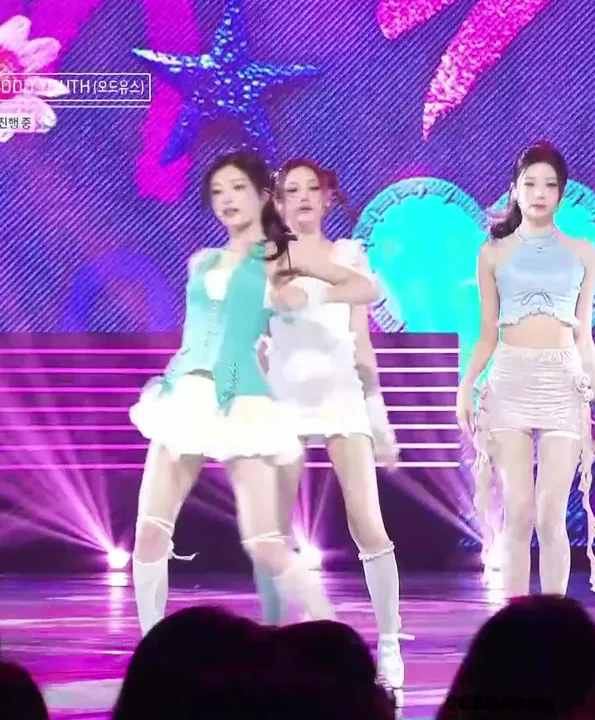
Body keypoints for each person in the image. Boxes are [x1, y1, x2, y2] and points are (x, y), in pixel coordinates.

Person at [127, 149, 378, 635]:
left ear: (263, 196)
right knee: (149, 533)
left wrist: (309, 295)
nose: (226, 199)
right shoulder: (202, 260)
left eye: (237, 188)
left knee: (264, 542)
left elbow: (364, 288)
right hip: (185, 397)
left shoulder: (280, 255)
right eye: (217, 192)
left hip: (243, 401)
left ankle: (328, 627)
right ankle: (150, 643)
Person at [253, 157, 406, 692]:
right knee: (273, 531)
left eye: (310, 189)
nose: (301, 198)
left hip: (341, 394)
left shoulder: (349, 254)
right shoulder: (267, 256)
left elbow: (363, 330)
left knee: (368, 522)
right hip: (286, 397)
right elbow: (272, 311)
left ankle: (389, 644)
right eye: (290, 191)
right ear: (277, 203)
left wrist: (378, 417)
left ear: (325, 198)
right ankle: (276, 641)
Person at [457, 141, 595, 599]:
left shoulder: (583, 252)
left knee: (550, 515)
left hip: (563, 381)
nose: (539, 193)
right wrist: (467, 386)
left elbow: (583, 333)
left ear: (562, 193)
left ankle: (556, 623)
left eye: (549, 185)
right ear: (515, 190)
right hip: (510, 380)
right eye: (530, 184)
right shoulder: (493, 253)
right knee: (519, 512)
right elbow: (487, 333)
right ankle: (516, 622)